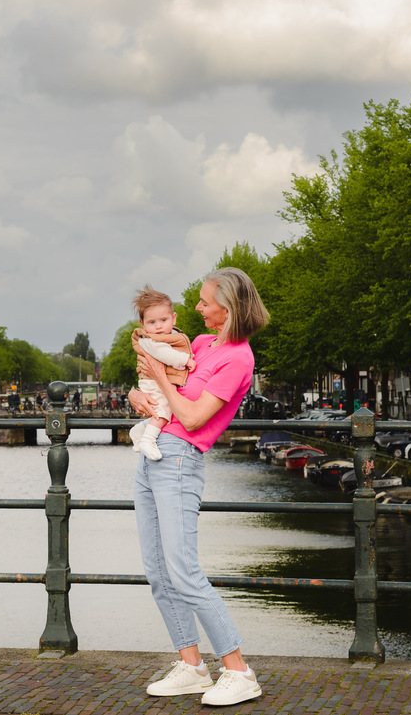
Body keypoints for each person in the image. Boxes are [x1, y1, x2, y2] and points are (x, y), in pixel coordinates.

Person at [128, 267, 269, 707]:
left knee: (184, 570)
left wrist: (160, 379)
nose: (197, 307)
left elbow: (192, 417)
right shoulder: (204, 344)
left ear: (227, 307)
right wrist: (140, 395)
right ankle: (191, 666)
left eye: (205, 301)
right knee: (157, 569)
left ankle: (239, 671)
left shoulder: (238, 359)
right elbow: (158, 382)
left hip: (181, 459)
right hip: (152, 459)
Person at [128, 285, 195, 460]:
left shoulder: (169, 335)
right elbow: (165, 354)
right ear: (142, 324)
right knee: (164, 410)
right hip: (152, 382)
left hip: (157, 381)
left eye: (163, 320)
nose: (158, 327)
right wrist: (185, 361)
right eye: (152, 322)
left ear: (173, 318)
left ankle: (140, 430)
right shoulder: (149, 340)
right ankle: (148, 440)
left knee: (165, 409)